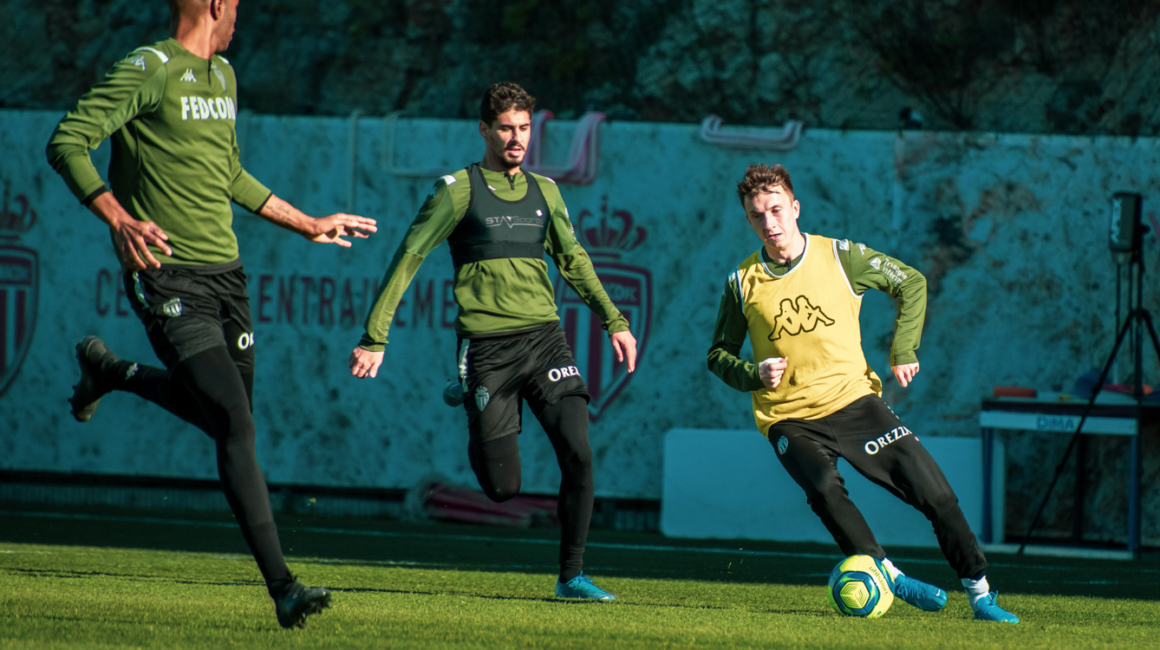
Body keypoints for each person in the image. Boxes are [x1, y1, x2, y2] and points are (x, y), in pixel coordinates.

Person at [46, 0, 377, 629]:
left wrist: (307, 223)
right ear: (217, 4)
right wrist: (118, 218)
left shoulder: (223, 76)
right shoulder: (150, 67)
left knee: (225, 416)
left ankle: (112, 373)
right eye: (237, 6)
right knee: (233, 422)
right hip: (168, 276)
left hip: (229, 277)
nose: (239, 18)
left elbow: (229, 172)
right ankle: (283, 587)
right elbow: (67, 141)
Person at [349, 81, 637, 600]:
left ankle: (571, 577)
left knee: (579, 452)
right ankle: (470, 394)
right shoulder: (456, 190)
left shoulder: (546, 191)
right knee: (503, 488)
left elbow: (573, 261)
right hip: (487, 349)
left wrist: (613, 320)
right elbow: (409, 257)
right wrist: (375, 337)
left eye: (524, 128)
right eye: (505, 128)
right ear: (484, 130)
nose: (516, 138)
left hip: (545, 341)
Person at [707, 163, 1018, 623]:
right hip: (789, 418)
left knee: (937, 496)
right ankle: (886, 573)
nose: (769, 222)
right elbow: (718, 355)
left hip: (855, 403)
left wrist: (903, 349)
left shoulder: (841, 256)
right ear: (748, 220)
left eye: (776, 209)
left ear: (796, 208)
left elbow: (911, 282)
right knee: (822, 487)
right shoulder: (741, 281)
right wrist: (753, 374)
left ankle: (980, 594)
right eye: (757, 215)